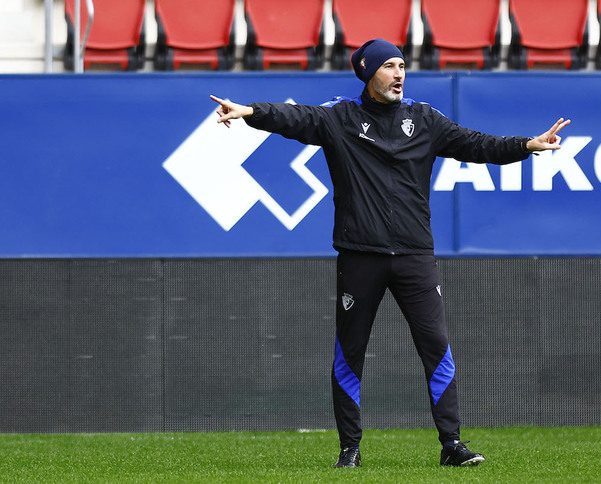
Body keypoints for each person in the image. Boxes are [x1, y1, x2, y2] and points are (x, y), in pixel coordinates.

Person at [211, 38, 570, 468]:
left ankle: (452, 445)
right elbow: (294, 118)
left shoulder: (424, 119)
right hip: (360, 256)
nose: (400, 73)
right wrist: (249, 111)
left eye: (403, 65)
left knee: (436, 346)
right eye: (390, 66)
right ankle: (350, 450)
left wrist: (526, 145)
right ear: (368, 72)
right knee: (350, 352)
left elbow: (477, 145)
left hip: (416, 256)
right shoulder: (340, 118)